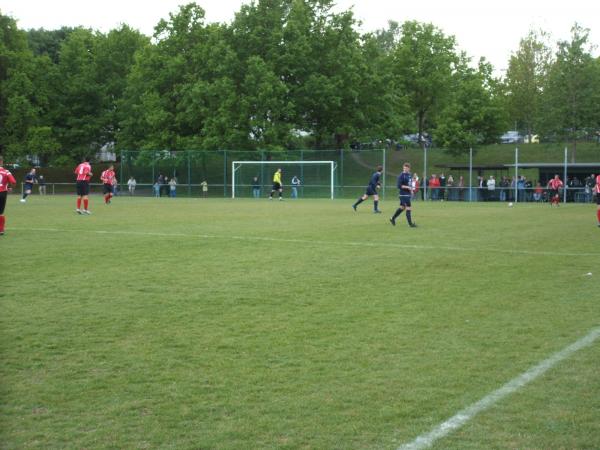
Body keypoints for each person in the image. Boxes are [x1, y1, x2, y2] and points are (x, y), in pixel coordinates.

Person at [390, 162, 417, 228]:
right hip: (403, 194)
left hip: (407, 194)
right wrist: (408, 187)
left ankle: (392, 218)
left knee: (402, 207)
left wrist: (411, 191)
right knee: (409, 207)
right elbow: (399, 186)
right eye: (404, 168)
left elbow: (410, 184)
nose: (405, 169)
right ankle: (410, 224)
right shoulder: (401, 175)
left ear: (409, 169)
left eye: (406, 168)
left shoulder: (409, 175)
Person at [0, 155, 17, 235]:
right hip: (3, 192)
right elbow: (13, 182)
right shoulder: (6, 172)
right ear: (2, 162)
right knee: (1, 213)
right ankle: (1, 230)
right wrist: (10, 187)